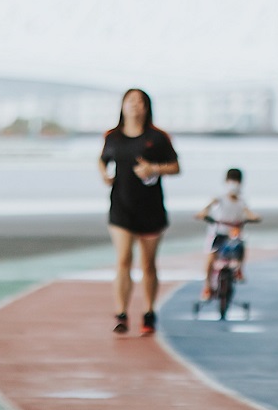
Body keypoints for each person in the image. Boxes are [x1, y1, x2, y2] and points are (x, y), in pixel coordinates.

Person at [99, 88, 180, 335]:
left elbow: (175, 167)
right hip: (121, 207)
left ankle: (149, 311)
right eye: (130, 101)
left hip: (151, 208)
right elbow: (103, 159)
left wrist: (154, 169)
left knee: (148, 264)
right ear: (122, 106)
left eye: (140, 102)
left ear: (147, 107)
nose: (135, 106)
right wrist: (104, 173)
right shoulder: (112, 136)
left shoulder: (158, 137)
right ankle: (121, 313)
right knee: (123, 259)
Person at [195, 168, 262, 299]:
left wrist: (254, 217)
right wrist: (203, 213)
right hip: (218, 233)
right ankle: (207, 286)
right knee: (211, 257)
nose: (234, 184)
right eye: (232, 180)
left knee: (242, 246)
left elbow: (249, 213)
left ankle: (239, 270)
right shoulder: (219, 198)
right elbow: (206, 208)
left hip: (233, 236)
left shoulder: (241, 202)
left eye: (236, 181)